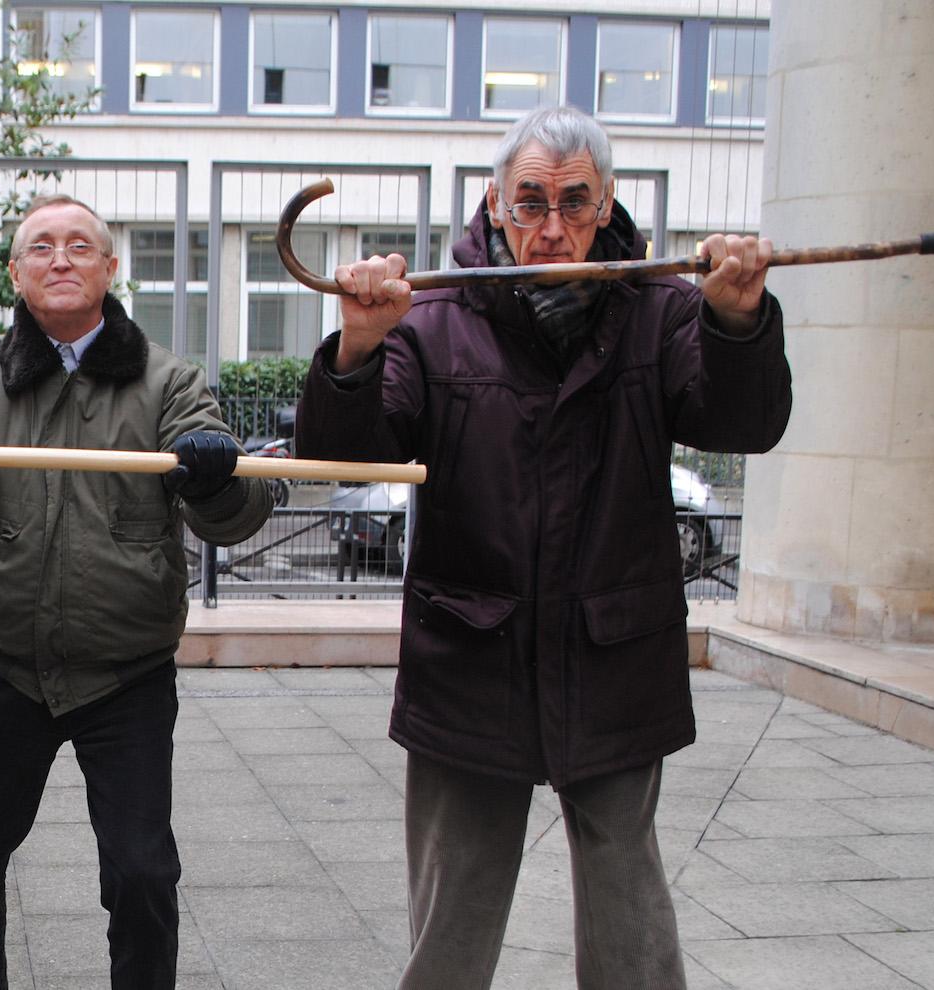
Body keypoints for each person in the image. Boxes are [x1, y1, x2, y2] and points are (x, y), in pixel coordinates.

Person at [296, 104, 792, 989]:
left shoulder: (664, 310)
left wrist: (739, 323)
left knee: (629, 912)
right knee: (453, 917)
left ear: (606, 207)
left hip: (613, 655)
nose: (551, 226)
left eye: (573, 202)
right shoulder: (435, 319)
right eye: (529, 202)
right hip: (471, 657)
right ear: (494, 204)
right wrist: (358, 346)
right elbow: (351, 453)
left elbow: (743, 422)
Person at [0, 194, 274, 988]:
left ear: (108, 267)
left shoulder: (170, 382)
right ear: (16, 274)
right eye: (40, 247)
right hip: (9, 672)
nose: (59, 258)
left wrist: (214, 479)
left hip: (126, 676)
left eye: (77, 245)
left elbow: (237, 515)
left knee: (141, 876)